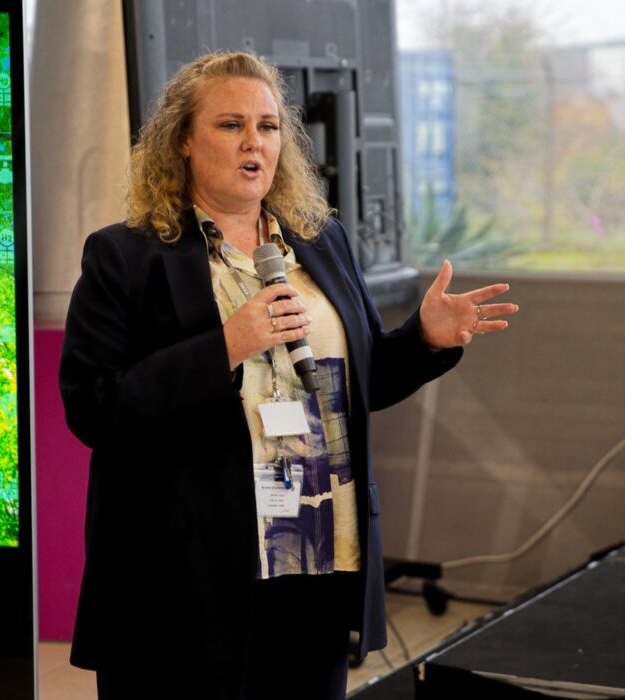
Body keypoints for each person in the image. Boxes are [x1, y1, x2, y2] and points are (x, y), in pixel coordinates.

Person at [59, 51, 517, 699]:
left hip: (316, 554)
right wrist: (226, 344)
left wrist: (424, 340)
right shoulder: (127, 256)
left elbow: (359, 386)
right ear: (183, 141)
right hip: (184, 576)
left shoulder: (319, 241)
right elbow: (93, 408)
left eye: (269, 126)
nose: (255, 142)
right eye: (230, 125)